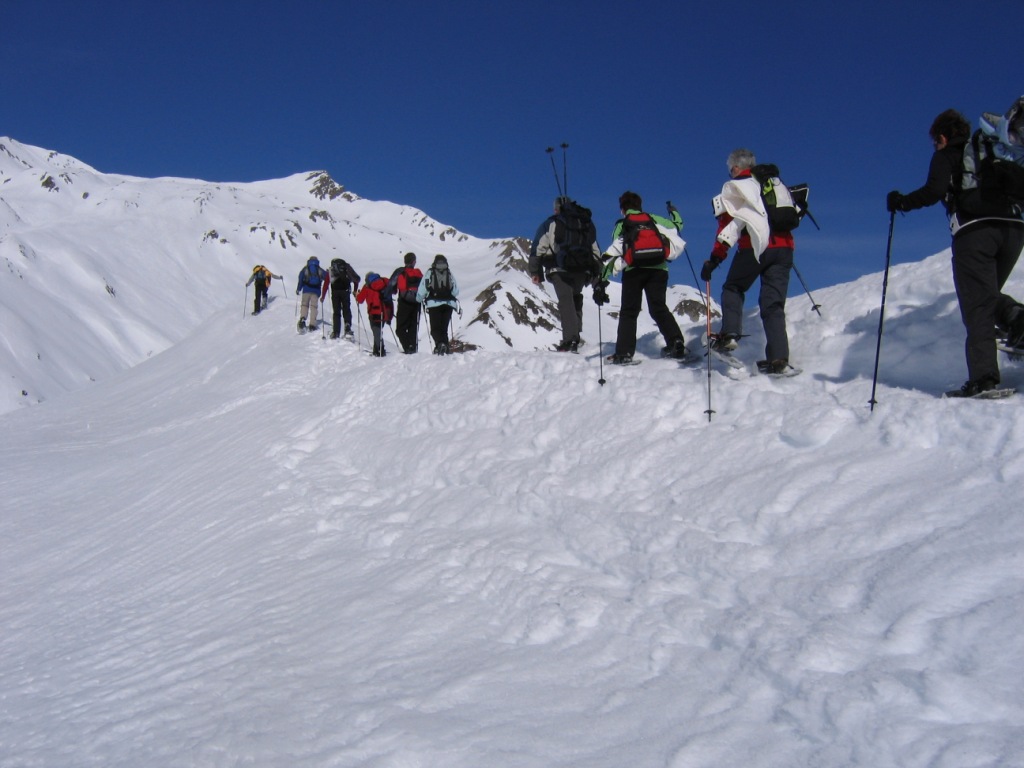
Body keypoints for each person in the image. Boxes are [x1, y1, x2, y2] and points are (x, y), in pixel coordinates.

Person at [887, 106, 1024, 396]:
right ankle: (1017, 320)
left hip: (976, 232)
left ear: (942, 137)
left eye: (935, 141)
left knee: (978, 305)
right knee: (985, 293)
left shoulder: (947, 154)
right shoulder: (990, 150)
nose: (935, 146)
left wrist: (901, 202)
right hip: (1014, 230)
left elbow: (934, 191)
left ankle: (983, 380)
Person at [701, 148, 796, 375]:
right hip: (784, 248)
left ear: (735, 167)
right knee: (773, 305)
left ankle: (729, 336)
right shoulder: (773, 183)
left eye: (730, 169)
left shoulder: (736, 187)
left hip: (754, 246)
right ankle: (778, 360)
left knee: (733, 287)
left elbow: (728, 226)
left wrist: (715, 259)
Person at [600, 191, 687, 364]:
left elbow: (615, 252)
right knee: (658, 307)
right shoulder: (653, 219)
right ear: (640, 206)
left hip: (634, 270)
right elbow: (677, 226)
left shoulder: (623, 224)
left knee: (629, 311)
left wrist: (602, 279)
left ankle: (624, 353)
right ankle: (676, 342)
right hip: (659, 268)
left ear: (622, 209)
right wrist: (674, 212)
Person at [529, 197, 601, 352]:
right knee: (575, 297)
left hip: (559, 268)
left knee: (565, 300)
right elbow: (595, 249)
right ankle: (576, 336)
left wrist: (536, 272)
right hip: (582, 269)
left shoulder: (550, 223)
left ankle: (570, 340)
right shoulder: (584, 223)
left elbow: (538, 248)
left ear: (556, 209)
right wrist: (596, 272)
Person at [417, 254, 460, 355]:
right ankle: (445, 347)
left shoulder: (430, 272)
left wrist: (418, 299)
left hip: (434, 304)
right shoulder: (448, 272)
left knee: (435, 329)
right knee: (444, 328)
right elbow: (455, 291)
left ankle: (440, 345)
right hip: (448, 304)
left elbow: (423, 288)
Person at [388, 252, 424, 353]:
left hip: (404, 302)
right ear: (414, 262)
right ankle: (413, 349)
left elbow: (391, 285)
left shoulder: (400, 272)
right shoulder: (418, 273)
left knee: (400, 328)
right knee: (413, 327)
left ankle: (408, 348)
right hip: (416, 303)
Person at [356, 272, 394, 356]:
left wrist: (357, 295)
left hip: (374, 312)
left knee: (376, 330)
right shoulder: (384, 282)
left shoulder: (367, 286)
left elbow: (360, 299)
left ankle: (380, 350)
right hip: (385, 311)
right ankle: (376, 350)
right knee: (378, 330)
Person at [327, 257, 360, 339]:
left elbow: (327, 282)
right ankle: (347, 326)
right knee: (346, 309)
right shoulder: (347, 267)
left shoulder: (332, 269)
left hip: (335, 292)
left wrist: (323, 295)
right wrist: (355, 290)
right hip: (345, 291)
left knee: (336, 312)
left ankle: (336, 332)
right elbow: (356, 279)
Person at [295, 256, 328, 332]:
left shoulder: (305, 268)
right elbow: (327, 277)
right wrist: (327, 272)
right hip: (316, 291)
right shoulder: (319, 269)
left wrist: (298, 289)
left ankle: (303, 319)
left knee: (304, 305)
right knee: (314, 307)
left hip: (306, 290)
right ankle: (312, 324)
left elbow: (301, 278)